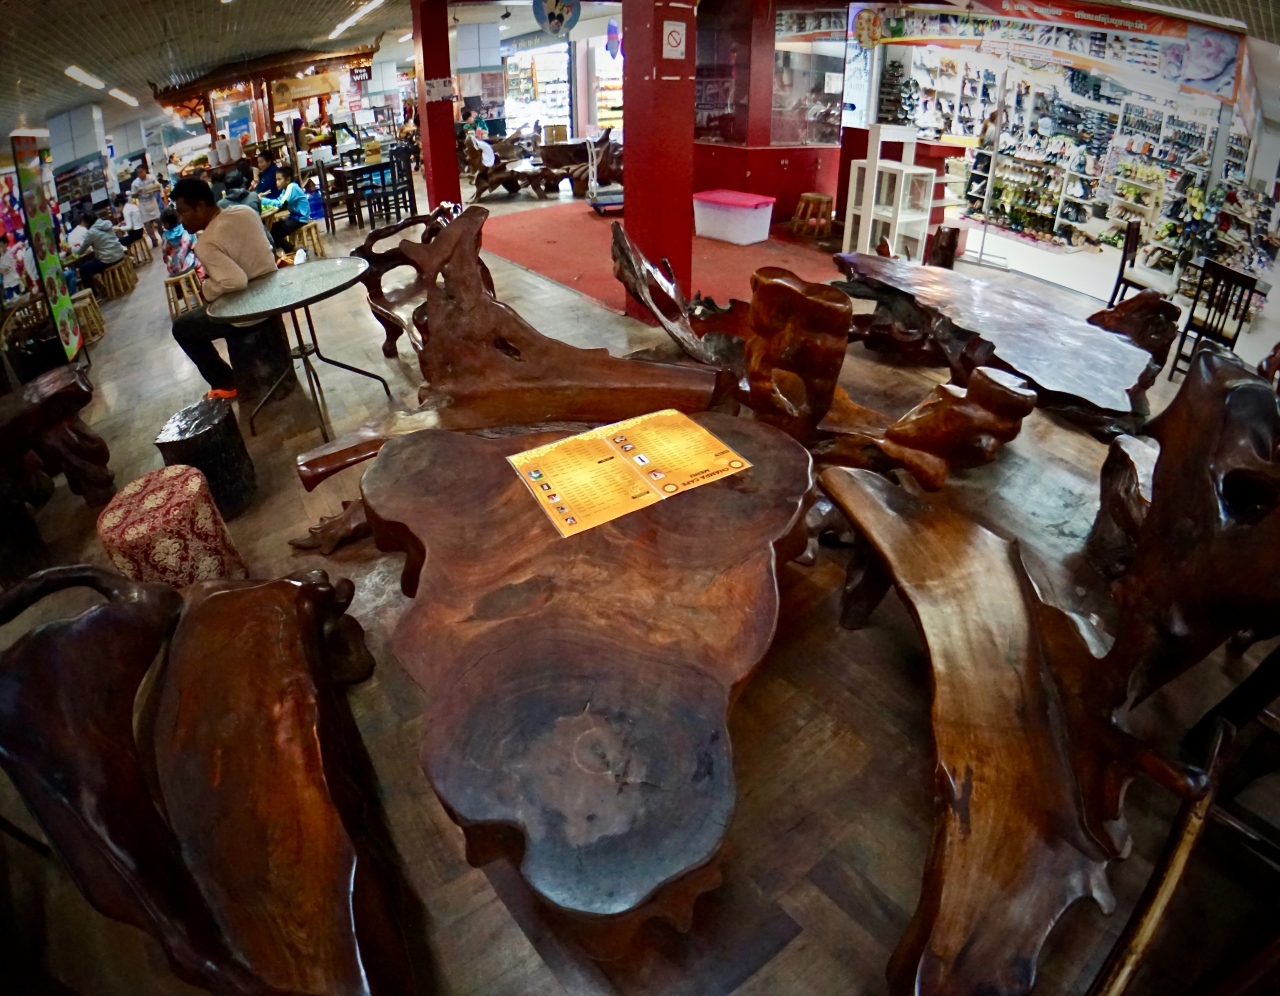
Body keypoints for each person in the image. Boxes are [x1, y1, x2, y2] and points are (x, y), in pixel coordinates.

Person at [170, 177, 278, 400]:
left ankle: (225, 383)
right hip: (274, 294)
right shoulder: (245, 212)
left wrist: (207, 288)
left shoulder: (206, 243)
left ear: (201, 206)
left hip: (248, 313)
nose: (181, 220)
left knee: (182, 328)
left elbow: (235, 282)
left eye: (183, 212)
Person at [69, 206, 127, 286]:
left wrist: (71, 248)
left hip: (109, 260)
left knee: (83, 269)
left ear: (87, 222)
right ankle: (110, 284)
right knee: (95, 261)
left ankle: (95, 292)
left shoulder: (91, 233)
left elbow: (80, 251)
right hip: (120, 253)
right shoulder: (107, 223)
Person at [261, 164, 310, 250]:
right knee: (269, 230)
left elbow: (280, 203)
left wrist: (263, 200)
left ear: (288, 180)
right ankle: (287, 251)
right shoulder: (285, 189)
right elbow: (279, 200)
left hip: (300, 218)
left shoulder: (292, 187)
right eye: (276, 179)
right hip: (294, 217)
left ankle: (294, 250)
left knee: (274, 235)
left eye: (279, 179)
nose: (277, 182)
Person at [160, 207, 204, 279]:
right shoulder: (185, 229)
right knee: (199, 260)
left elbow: (165, 258)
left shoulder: (165, 237)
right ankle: (200, 280)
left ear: (166, 224)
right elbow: (195, 247)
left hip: (174, 271)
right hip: (190, 265)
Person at [130, 165, 164, 244]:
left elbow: (158, 186)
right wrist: (137, 192)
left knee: (159, 220)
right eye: (138, 173)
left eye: (141, 172)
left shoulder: (151, 177)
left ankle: (163, 236)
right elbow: (132, 195)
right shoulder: (135, 183)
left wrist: (154, 187)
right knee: (147, 224)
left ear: (145, 170)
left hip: (152, 200)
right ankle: (154, 240)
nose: (140, 174)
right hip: (143, 203)